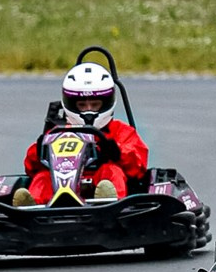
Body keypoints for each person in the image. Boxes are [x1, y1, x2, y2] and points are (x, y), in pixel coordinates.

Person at [14, 58, 148, 203]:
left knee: (111, 171)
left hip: (98, 183)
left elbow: (138, 167)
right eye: (82, 105)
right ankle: (31, 205)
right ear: (71, 104)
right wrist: (39, 151)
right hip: (62, 182)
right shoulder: (58, 132)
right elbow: (30, 168)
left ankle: (108, 201)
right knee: (42, 177)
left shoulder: (121, 131)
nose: (88, 110)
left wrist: (116, 152)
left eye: (95, 105)